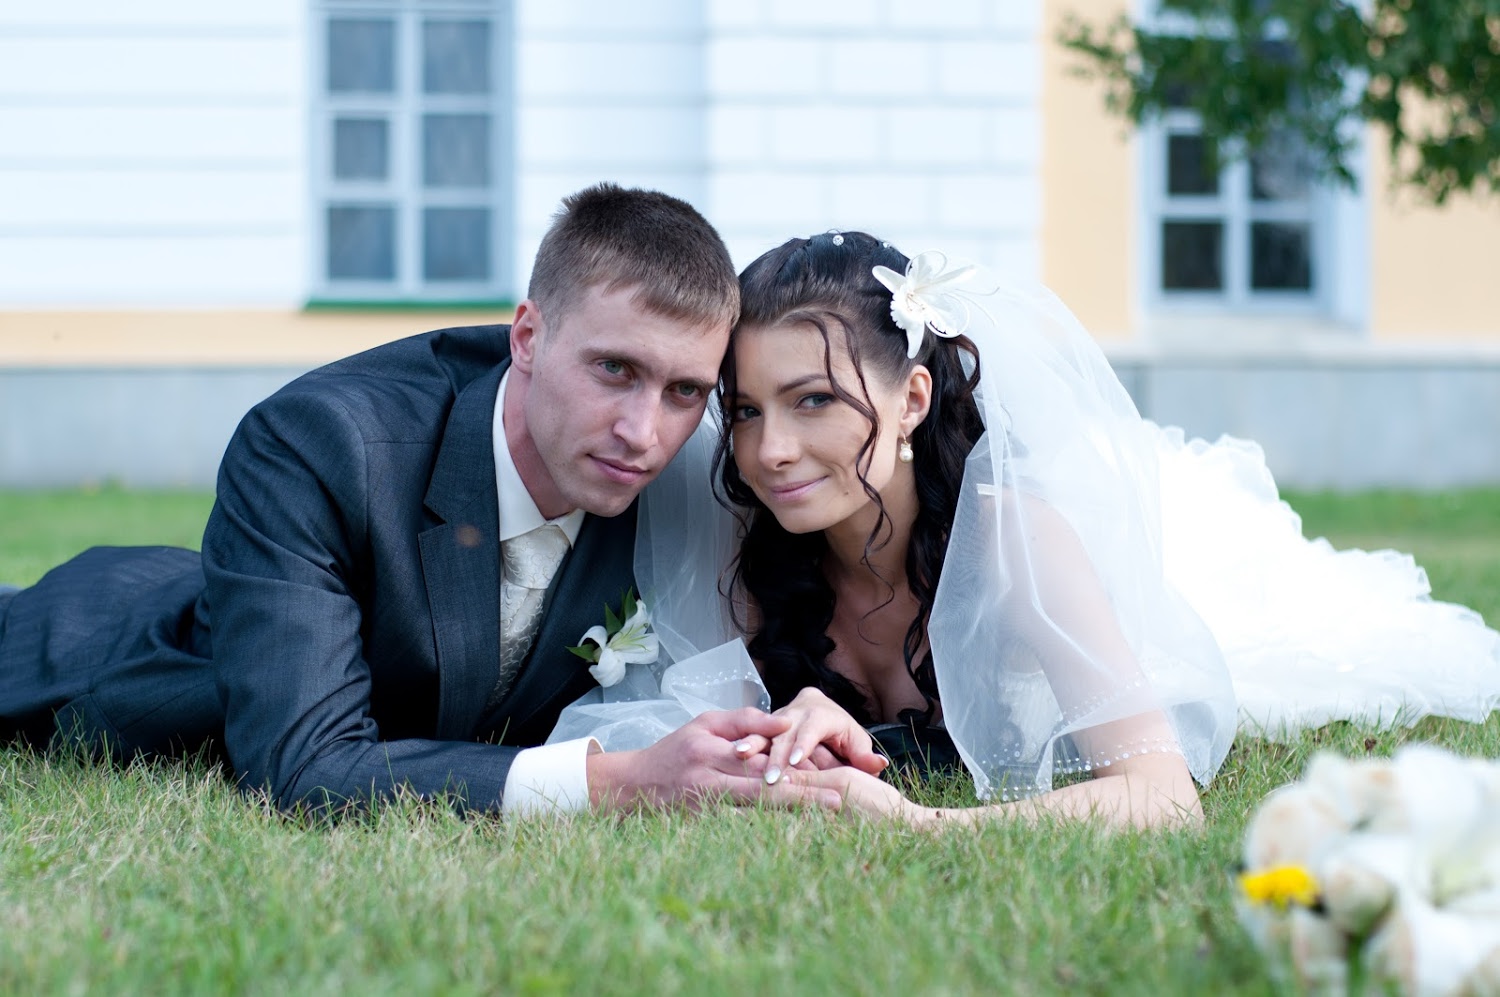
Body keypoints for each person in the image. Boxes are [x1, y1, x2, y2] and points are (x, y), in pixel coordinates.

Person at [553, 231, 1500, 829]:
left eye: (814, 402)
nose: (771, 452)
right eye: (749, 410)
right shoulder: (750, 539)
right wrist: (789, 729)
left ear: (913, 396)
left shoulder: (1016, 544)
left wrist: (922, 826)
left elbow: (1163, 797)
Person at [0, 184, 853, 817]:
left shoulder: (692, 473)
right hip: (94, 657)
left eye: (682, 391)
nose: (644, 430)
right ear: (528, 336)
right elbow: (306, 771)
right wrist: (620, 780)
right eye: (614, 370)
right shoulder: (319, 446)